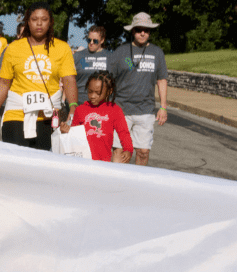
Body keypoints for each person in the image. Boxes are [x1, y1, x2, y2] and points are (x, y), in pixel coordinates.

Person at [0, 3, 77, 149]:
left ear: (51, 22)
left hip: (48, 117)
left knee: (42, 167)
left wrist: (73, 107)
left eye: (44, 19)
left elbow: (69, 79)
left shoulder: (62, 48)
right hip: (16, 114)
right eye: (34, 19)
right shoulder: (13, 48)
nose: (39, 23)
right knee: (17, 165)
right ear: (28, 22)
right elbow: (4, 83)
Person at [107, 12, 168, 166]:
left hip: (145, 110)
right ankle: (118, 184)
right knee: (119, 151)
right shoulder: (120, 52)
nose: (143, 33)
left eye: (146, 30)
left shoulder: (157, 52)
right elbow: (108, 80)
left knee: (143, 152)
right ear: (132, 31)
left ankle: (139, 185)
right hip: (121, 109)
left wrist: (163, 107)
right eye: (139, 29)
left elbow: (161, 80)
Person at [71, 73, 132, 162]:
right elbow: (73, 134)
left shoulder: (114, 110)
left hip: (103, 161)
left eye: (98, 93)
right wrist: (66, 131)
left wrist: (128, 149)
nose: (92, 96)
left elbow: (123, 132)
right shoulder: (80, 110)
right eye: (90, 91)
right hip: (82, 160)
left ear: (109, 91)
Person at [73, 25, 111, 102]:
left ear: (102, 40)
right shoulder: (77, 56)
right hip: (80, 101)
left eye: (95, 41)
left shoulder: (111, 57)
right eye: (89, 40)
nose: (91, 43)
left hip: (102, 103)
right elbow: (69, 80)